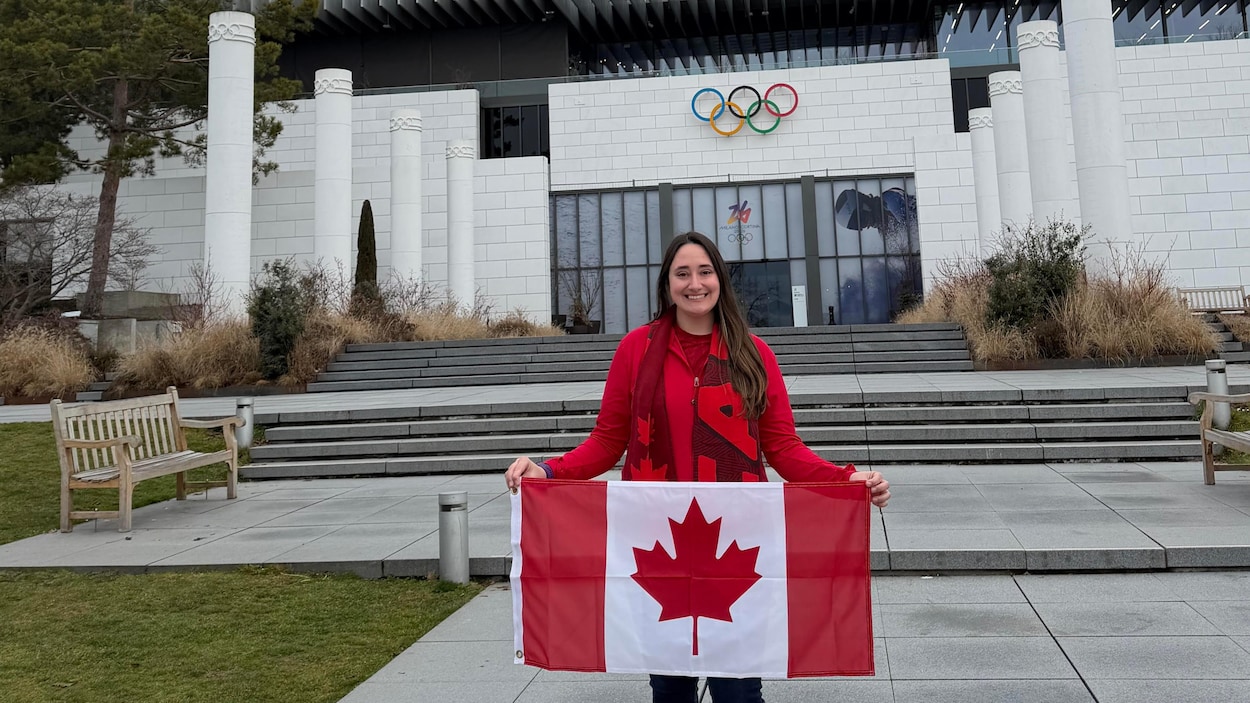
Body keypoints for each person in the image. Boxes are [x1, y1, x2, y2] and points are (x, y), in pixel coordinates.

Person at [505, 231, 890, 703]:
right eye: (682, 273)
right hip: (658, 538)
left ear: (720, 280)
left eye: (704, 272)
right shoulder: (635, 351)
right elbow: (607, 442)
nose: (694, 284)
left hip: (736, 540)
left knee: (739, 692)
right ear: (666, 283)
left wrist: (844, 480)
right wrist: (547, 470)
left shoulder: (754, 354)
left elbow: (784, 448)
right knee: (670, 689)